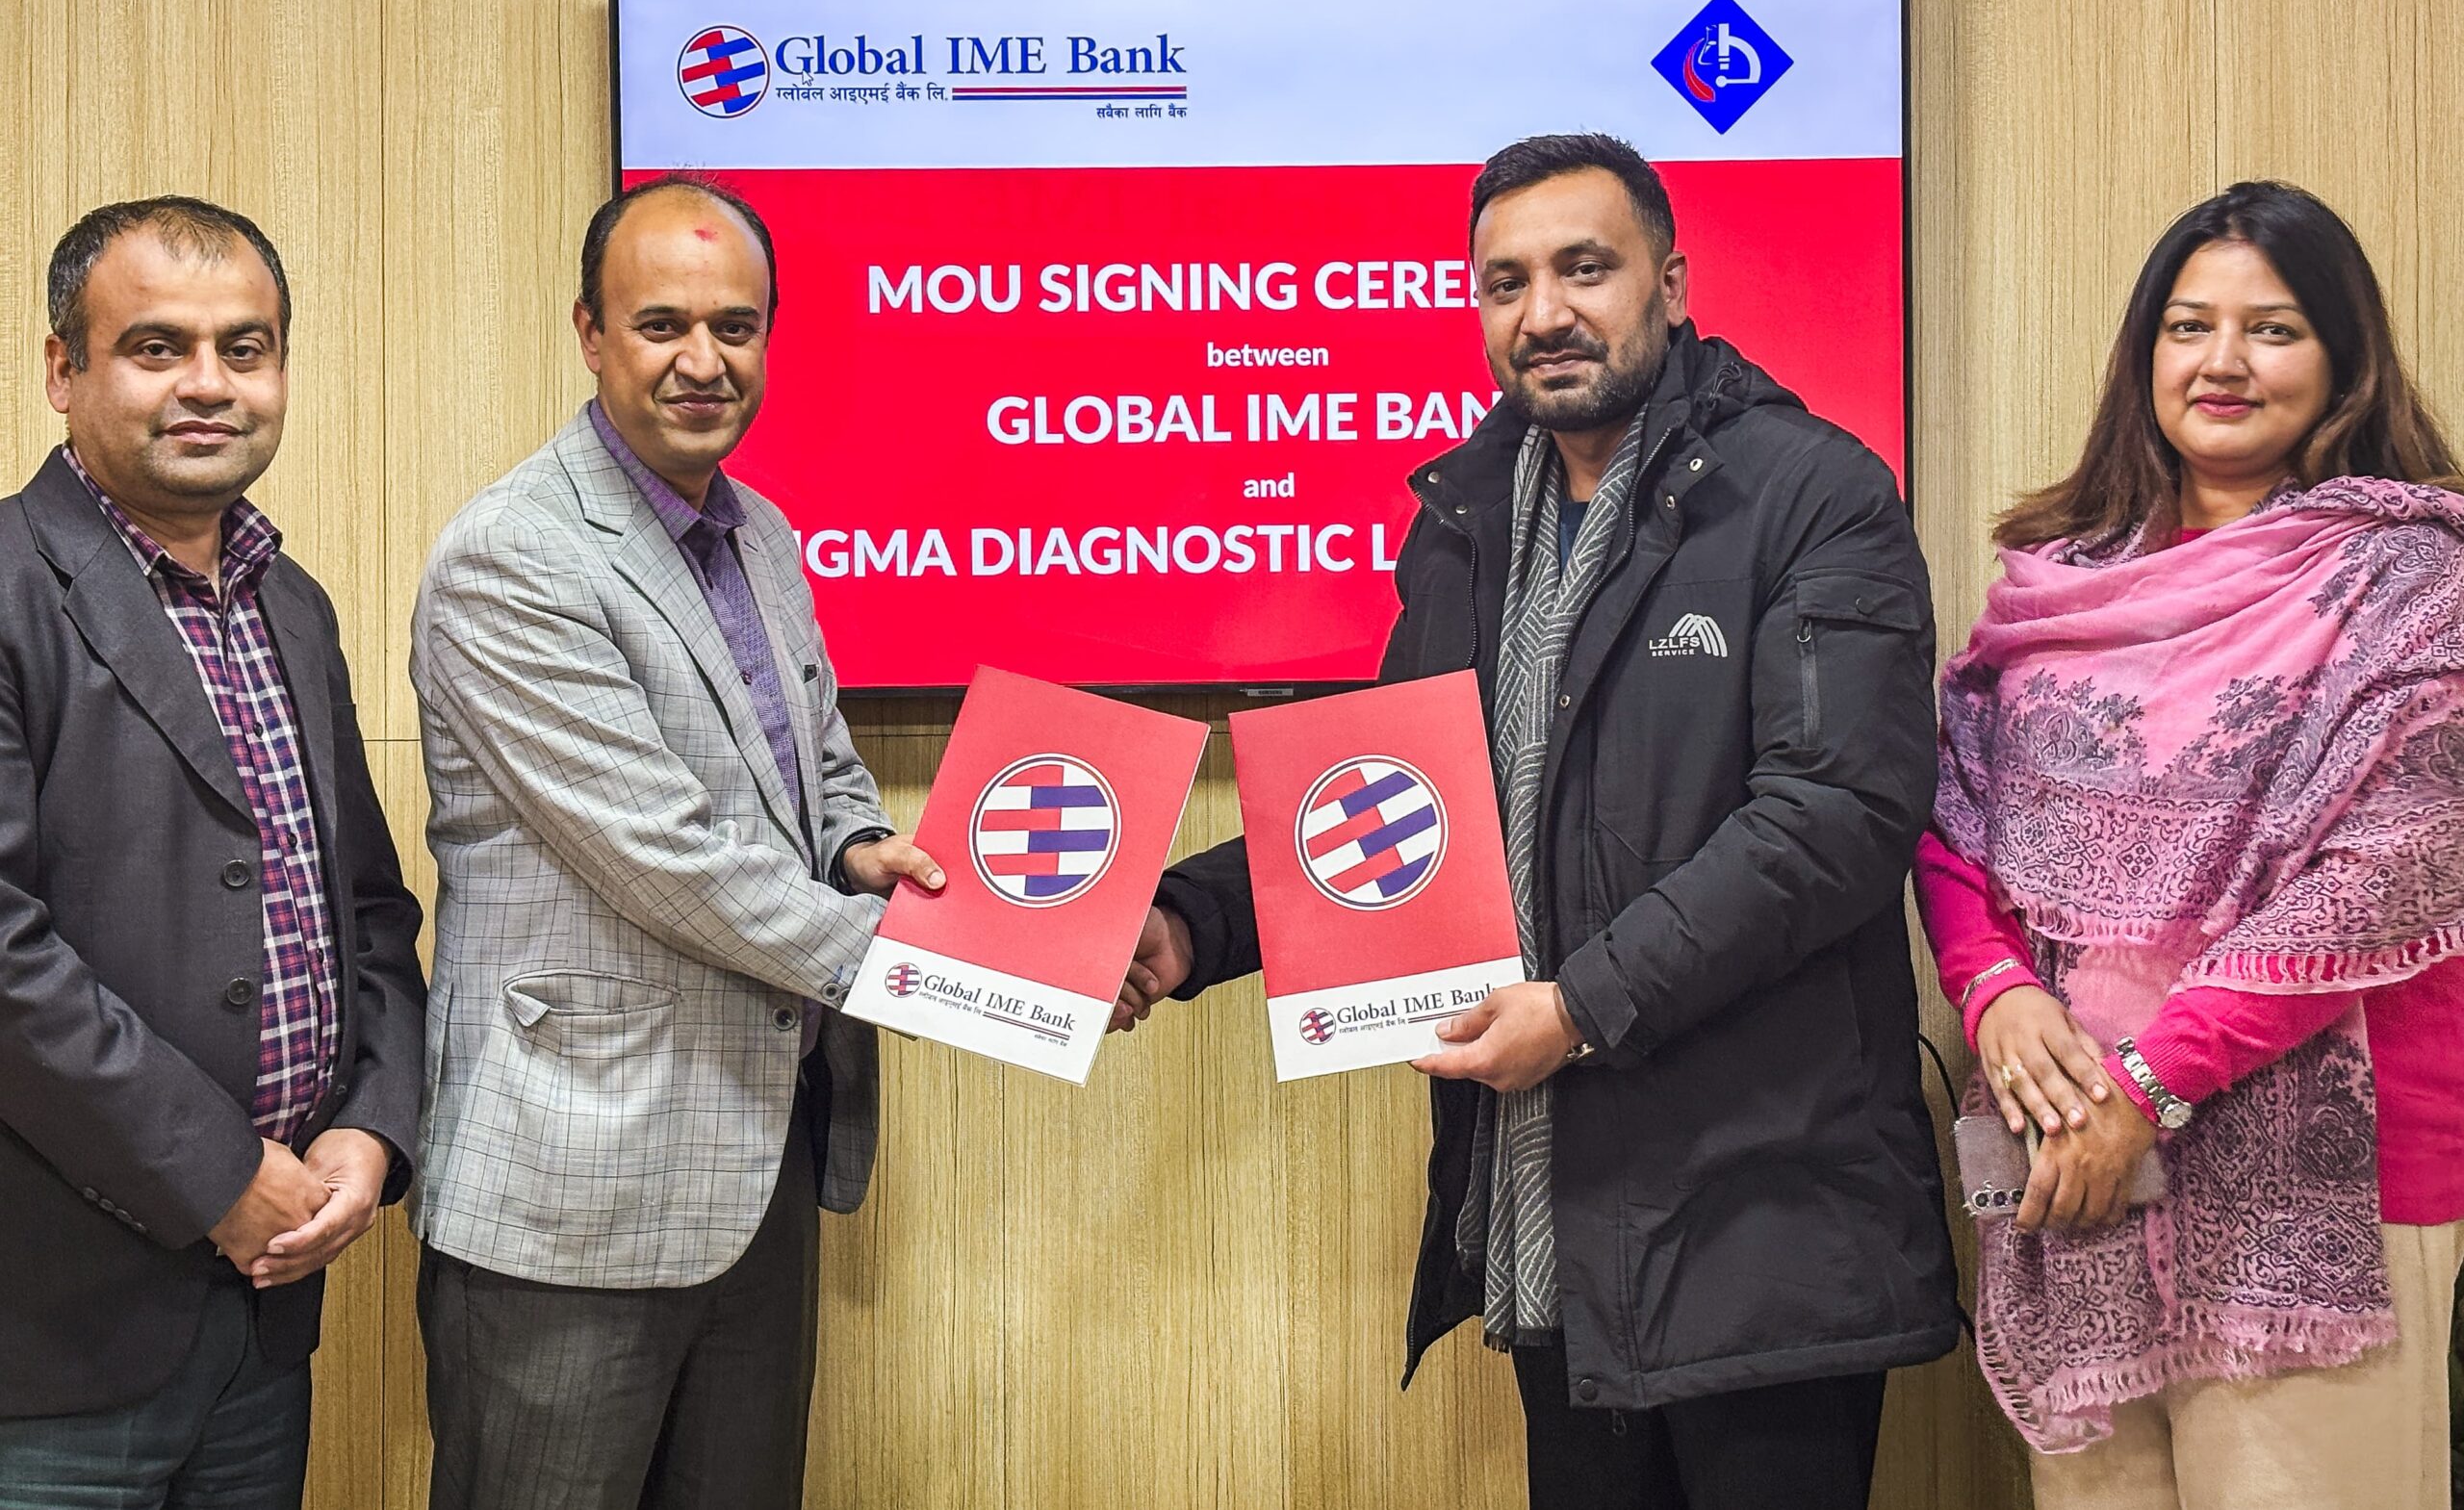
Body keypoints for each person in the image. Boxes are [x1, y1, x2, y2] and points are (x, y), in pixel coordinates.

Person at [1116, 133, 1961, 1509]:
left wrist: (1577, 1009)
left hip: (1766, 1221)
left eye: (1585, 269)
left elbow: (1837, 818)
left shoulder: (1812, 494)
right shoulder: (1466, 520)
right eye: (1506, 282)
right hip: (1554, 1222)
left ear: (1670, 286)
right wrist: (1188, 925)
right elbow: (1385, 807)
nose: (1545, 312)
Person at [1918, 180, 2464, 1509]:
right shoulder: (2061, 583)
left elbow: (2380, 879)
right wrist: (1994, 993)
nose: (2223, 361)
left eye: (2272, 329)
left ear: (2343, 356)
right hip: (2069, 1167)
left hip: (2326, 1190)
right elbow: (1955, 816)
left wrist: (2146, 1088)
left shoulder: (2419, 585)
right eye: (2188, 326)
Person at [408, 174, 941, 1510]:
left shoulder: (761, 535)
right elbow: (670, 859)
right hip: (573, 1193)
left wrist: (861, 846)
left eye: (735, 327)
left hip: (757, 1166)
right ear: (590, 334)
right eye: (662, 325)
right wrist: (945, 968)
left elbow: (817, 765)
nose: (705, 361)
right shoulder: (514, 555)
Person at [0, 197, 426, 1507]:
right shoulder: (9, 587)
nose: (208, 384)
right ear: (63, 368)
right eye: (157, 347)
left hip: (262, 1320)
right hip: (53, 1335)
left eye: (246, 349)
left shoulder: (291, 605)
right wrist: (221, 1174)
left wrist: (373, 1127)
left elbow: (366, 911)